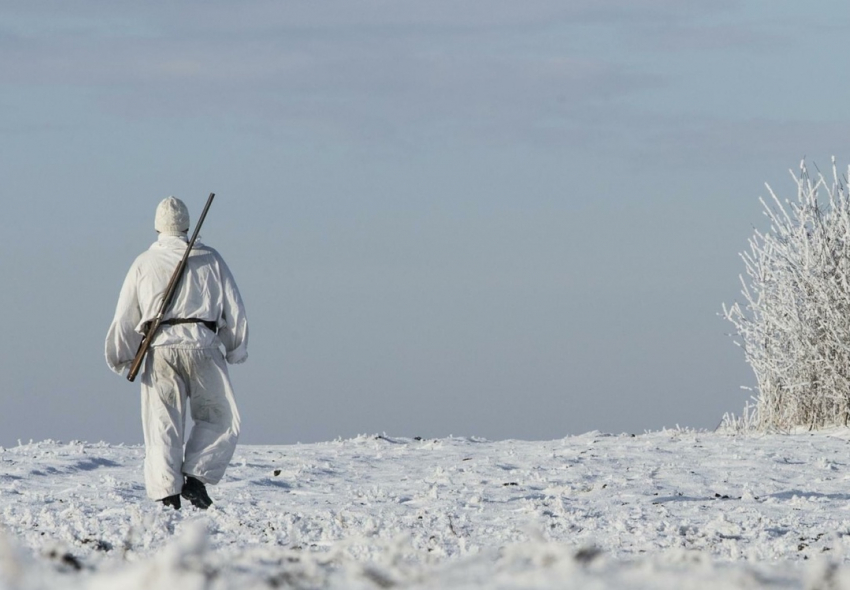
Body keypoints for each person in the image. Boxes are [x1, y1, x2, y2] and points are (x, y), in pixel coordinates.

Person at [105, 196, 248, 510]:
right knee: (220, 417)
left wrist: (122, 356)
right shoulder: (212, 259)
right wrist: (235, 346)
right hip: (204, 345)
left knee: (162, 422)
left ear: (157, 225)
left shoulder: (144, 262)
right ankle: (197, 477)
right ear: (185, 225)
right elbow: (233, 308)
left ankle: (167, 493)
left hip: (161, 349)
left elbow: (126, 314)